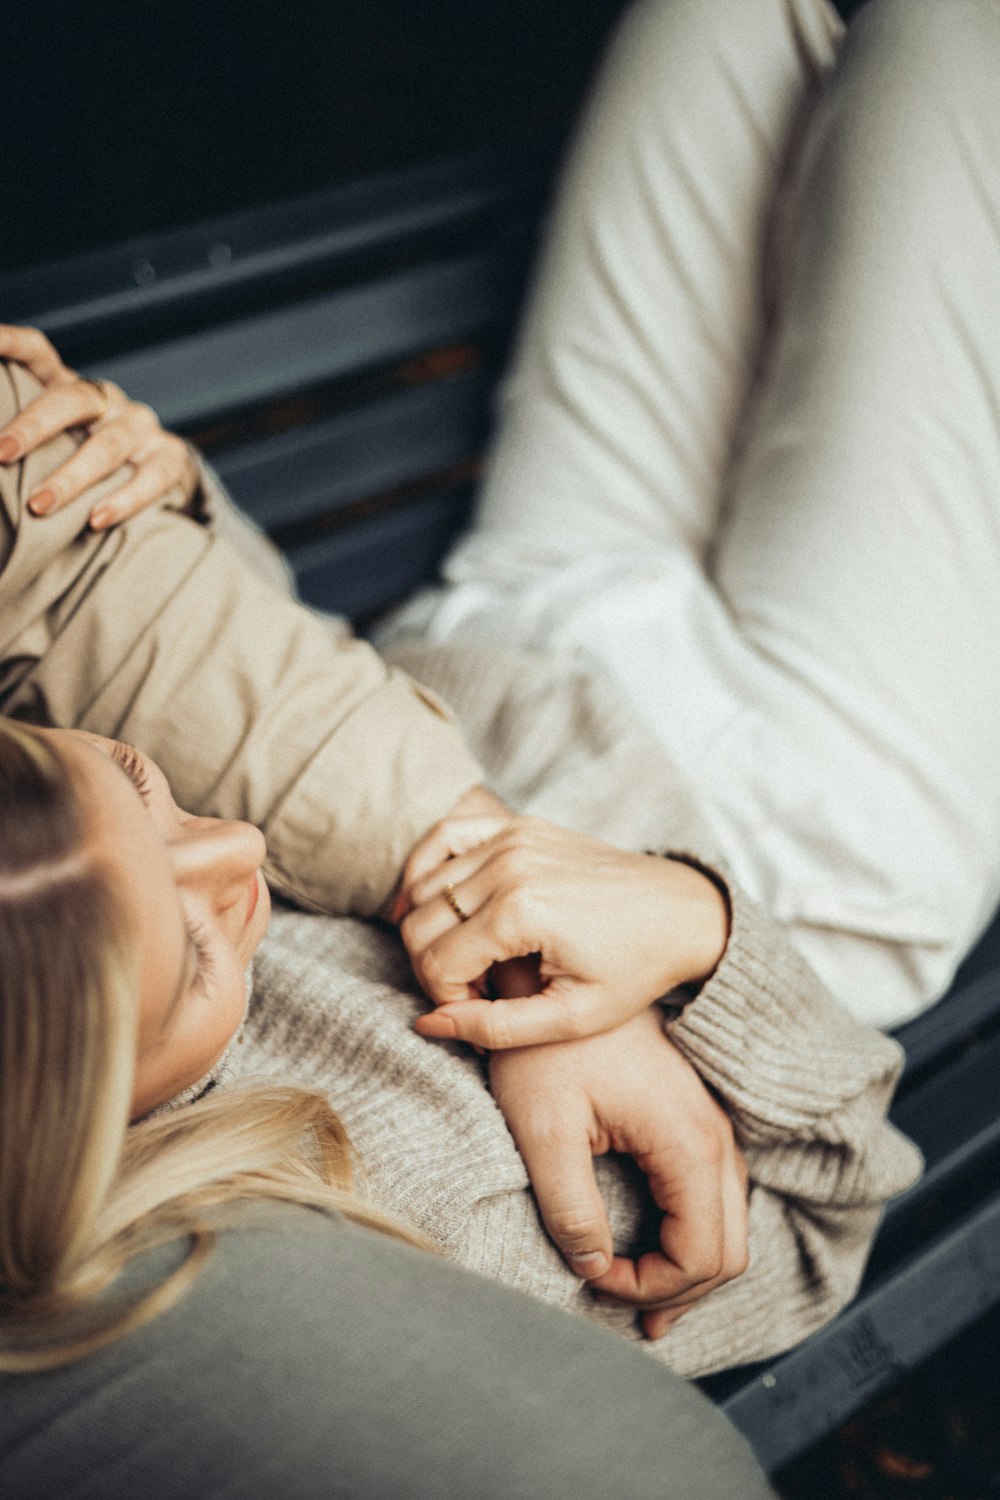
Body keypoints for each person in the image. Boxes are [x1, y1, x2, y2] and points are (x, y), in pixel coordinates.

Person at [383, 0, 1000, 1034]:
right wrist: (704, 931)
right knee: (951, 35)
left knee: (723, 12)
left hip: (497, 658)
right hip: (787, 841)